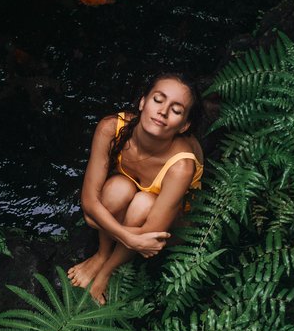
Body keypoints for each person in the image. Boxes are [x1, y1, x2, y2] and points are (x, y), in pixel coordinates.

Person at [68, 73, 205, 304]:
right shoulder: (111, 127)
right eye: (158, 100)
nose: (163, 111)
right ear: (142, 102)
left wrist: (99, 220)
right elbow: (89, 201)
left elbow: (153, 233)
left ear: (184, 126)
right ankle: (102, 254)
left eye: (176, 110)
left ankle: (107, 271)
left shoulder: (181, 166)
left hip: (168, 225)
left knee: (143, 202)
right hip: (132, 227)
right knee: (118, 188)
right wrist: (130, 239)